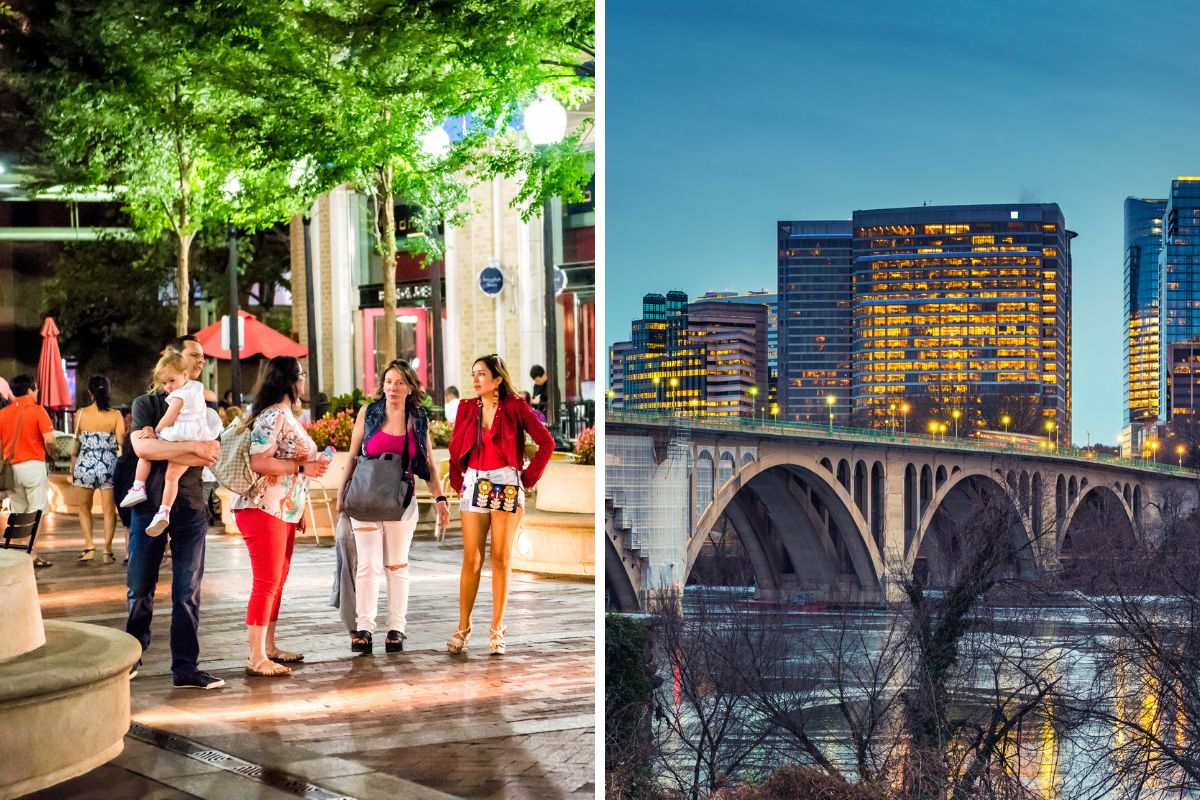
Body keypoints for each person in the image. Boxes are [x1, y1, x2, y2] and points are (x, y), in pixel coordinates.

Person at [124, 335, 224, 688]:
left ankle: (185, 667)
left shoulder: (204, 404)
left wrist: (166, 447)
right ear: (173, 358)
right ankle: (130, 657)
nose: (200, 361)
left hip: (191, 508)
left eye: (202, 356)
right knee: (140, 587)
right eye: (193, 355)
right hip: (147, 507)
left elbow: (211, 454)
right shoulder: (146, 404)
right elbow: (142, 449)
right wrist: (192, 446)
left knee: (187, 591)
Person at [338, 360, 450, 655]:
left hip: (401, 500)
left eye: (400, 382)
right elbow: (352, 456)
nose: (393, 387)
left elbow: (428, 463)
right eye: (389, 381)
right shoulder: (369, 412)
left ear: (410, 387)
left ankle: (396, 628)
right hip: (365, 498)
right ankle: (364, 628)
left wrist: (440, 498)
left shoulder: (418, 418)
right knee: (367, 564)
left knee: (397, 565)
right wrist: (341, 494)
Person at [447, 354, 554, 655]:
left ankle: (497, 628)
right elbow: (456, 449)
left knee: (501, 557)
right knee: (471, 558)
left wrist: (527, 479)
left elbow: (546, 443)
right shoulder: (467, 408)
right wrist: (458, 481)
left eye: (482, 373)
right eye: (473, 373)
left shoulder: (516, 407)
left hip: (506, 482)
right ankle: (463, 627)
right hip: (474, 481)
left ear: (497, 379)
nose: (475, 379)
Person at [233, 356, 329, 677]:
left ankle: (268, 647)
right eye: (300, 375)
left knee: (276, 582)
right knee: (266, 582)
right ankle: (256, 657)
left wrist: (298, 505)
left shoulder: (286, 414)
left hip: (283, 509)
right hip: (262, 507)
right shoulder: (272, 415)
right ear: (289, 380)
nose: (304, 380)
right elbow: (259, 461)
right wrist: (303, 467)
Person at [120, 352, 223, 536]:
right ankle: (163, 511)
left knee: (150, 456)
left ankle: (138, 486)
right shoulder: (197, 389)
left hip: (181, 434)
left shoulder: (179, 395)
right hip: (196, 435)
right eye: (164, 382)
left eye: (171, 381)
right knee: (171, 477)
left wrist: (156, 433)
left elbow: (169, 418)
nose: (168, 386)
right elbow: (143, 450)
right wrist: (194, 448)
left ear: (184, 374)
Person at [0, 375, 56, 567]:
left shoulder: (3, 413)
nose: (37, 392)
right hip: (33, 466)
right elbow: (50, 440)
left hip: (11, 469)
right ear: (30, 390)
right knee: (37, 511)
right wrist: (52, 450)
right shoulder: (37, 410)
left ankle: (18, 553)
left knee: (18, 511)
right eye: (36, 389)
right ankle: (30, 553)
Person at [71, 376, 125, 563]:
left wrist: (72, 464)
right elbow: (121, 441)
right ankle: (107, 552)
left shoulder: (81, 413)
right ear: (108, 391)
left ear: (90, 392)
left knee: (84, 507)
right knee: (109, 509)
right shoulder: (115, 415)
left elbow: (76, 441)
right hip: (108, 464)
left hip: (85, 463)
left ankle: (89, 547)